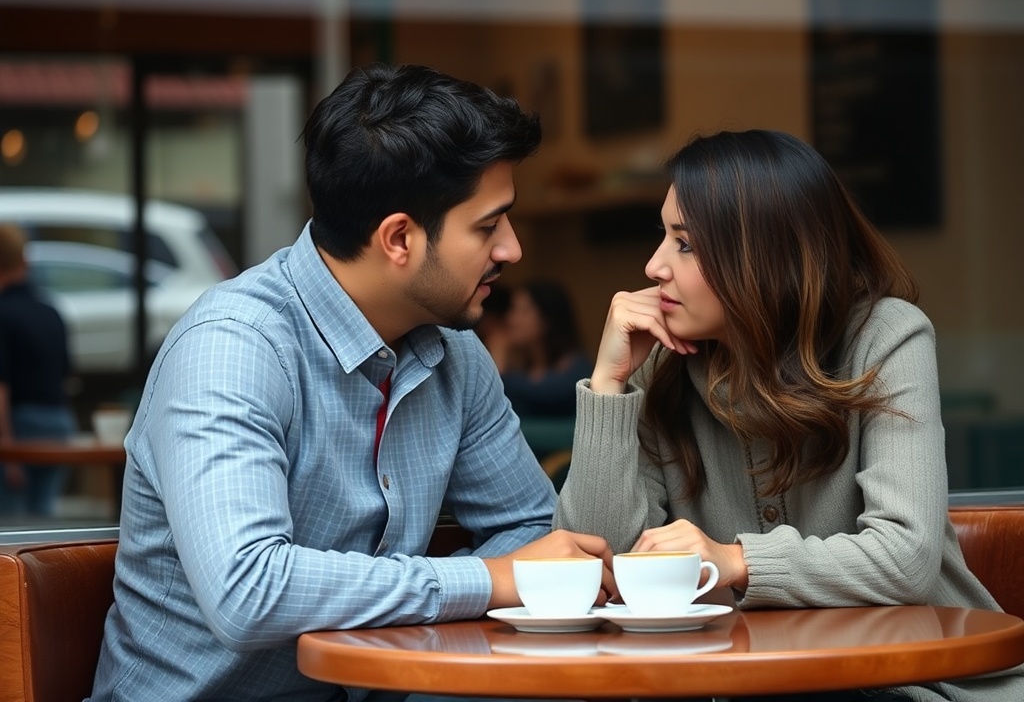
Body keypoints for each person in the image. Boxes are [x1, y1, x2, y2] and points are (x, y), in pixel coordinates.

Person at [87, 63, 612, 702]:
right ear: (399, 238)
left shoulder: (455, 351)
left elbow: (531, 526)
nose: (512, 250)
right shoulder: (233, 347)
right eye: (488, 225)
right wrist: (489, 581)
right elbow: (247, 590)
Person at [554, 129, 1024, 701]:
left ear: (763, 254)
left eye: (685, 243)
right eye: (663, 236)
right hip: (737, 680)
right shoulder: (659, 367)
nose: (654, 267)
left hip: (914, 683)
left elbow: (906, 559)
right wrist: (609, 386)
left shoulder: (886, 338)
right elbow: (596, 566)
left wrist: (734, 560)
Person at [0, 222, 77, 517]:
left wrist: (8, 450)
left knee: (10, 523)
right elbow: (66, 373)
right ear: (24, 261)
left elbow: (1, 387)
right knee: (43, 517)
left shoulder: (2, 313)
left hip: (18, 427)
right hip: (59, 424)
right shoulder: (51, 310)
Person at [495, 279, 592, 418]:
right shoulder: (521, 366)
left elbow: (549, 393)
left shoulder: (577, 368)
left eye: (524, 311)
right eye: (513, 309)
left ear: (548, 317)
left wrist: (499, 355)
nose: (512, 319)